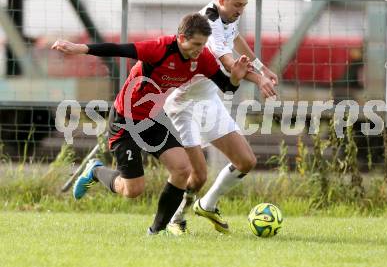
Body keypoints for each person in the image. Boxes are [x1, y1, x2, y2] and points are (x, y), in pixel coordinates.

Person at [51, 13, 250, 235]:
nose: (199, 50)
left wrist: (235, 77)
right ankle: (96, 171)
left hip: (153, 119)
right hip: (125, 121)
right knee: (132, 190)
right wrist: (79, 48)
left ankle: (155, 232)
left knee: (182, 169)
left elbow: (227, 88)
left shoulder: (201, 58)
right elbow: (119, 49)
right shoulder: (160, 48)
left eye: (203, 45)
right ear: (181, 37)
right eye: (195, 44)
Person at [165, 0, 279, 235]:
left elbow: (237, 41)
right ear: (222, 0)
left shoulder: (226, 16)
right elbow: (230, 64)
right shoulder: (209, 24)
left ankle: (207, 204)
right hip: (185, 105)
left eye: (244, 5)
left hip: (209, 101)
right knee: (198, 174)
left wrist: (263, 68)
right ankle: (175, 218)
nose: (241, 10)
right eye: (237, 5)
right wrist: (259, 79)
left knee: (246, 161)